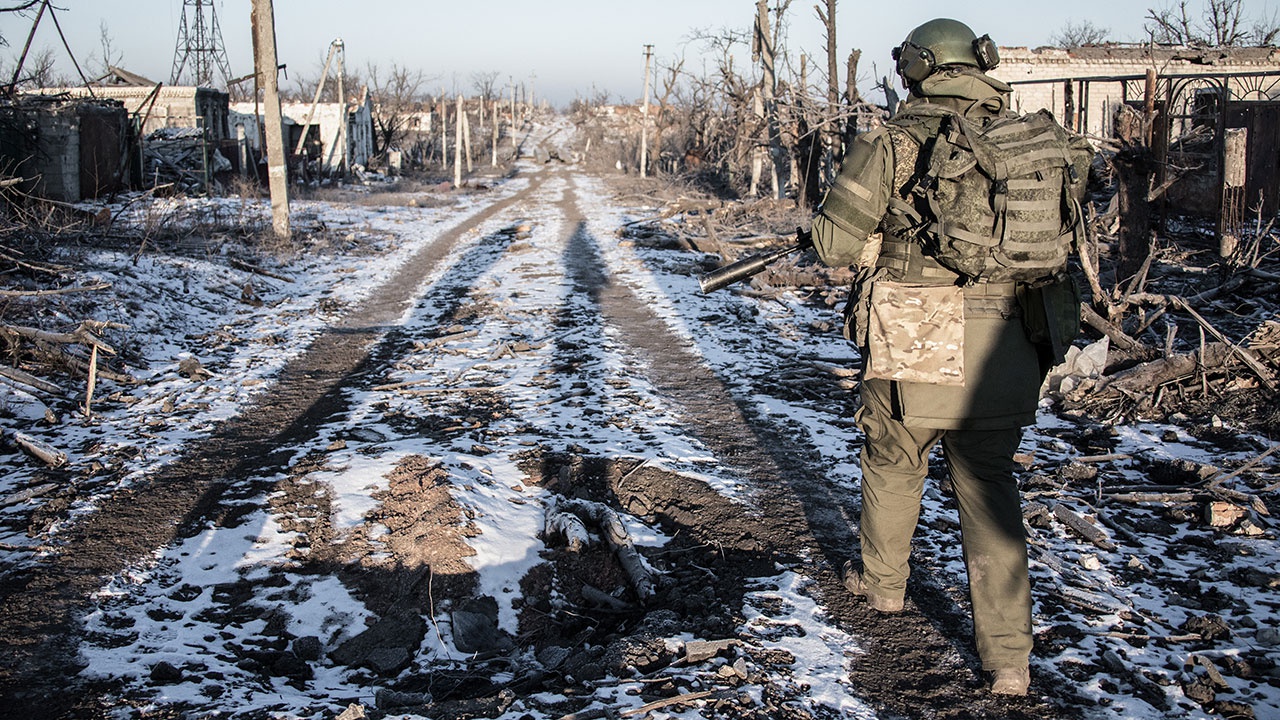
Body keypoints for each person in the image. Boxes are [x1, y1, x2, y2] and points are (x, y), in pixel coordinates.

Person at [807, 18, 1093, 696]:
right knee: (989, 486)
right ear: (981, 64)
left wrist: (868, 239)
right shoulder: (1032, 142)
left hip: (916, 323)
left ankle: (883, 589)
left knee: (895, 452)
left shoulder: (895, 141)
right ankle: (1010, 663)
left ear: (917, 68)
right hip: (1009, 336)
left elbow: (832, 244)